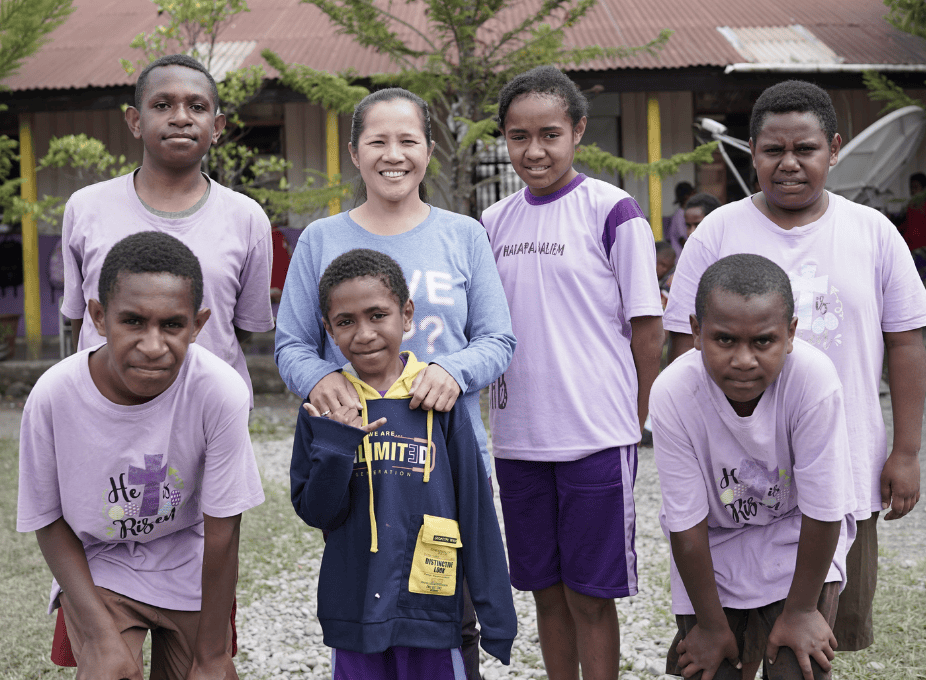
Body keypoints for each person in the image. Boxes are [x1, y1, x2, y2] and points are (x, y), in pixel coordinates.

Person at [664, 80, 926, 664]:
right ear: (752, 154)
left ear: (834, 148)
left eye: (805, 149)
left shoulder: (872, 232)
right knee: (724, 650)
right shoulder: (716, 232)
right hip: (733, 479)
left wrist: (906, 451)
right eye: (771, 150)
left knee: (811, 645)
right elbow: (686, 350)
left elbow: (906, 343)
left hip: (843, 472)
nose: (788, 164)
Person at [274, 87, 515, 678]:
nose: (393, 154)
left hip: (442, 460)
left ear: (429, 150)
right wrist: (323, 380)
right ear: (354, 153)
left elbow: (498, 340)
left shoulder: (464, 234)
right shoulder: (321, 239)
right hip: (359, 454)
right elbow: (292, 346)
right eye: (377, 141)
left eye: (408, 140)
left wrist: (450, 370)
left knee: (441, 627)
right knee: (367, 606)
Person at [481, 64, 664, 680]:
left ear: (577, 131)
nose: (534, 151)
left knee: (591, 594)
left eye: (550, 134)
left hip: (595, 436)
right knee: (545, 592)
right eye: (518, 136)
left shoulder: (612, 212)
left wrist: (634, 421)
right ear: (503, 137)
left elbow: (647, 328)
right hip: (519, 439)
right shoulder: (492, 222)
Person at [17, 231, 264, 680]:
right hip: (100, 562)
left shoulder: (220, 391)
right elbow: (47, 520)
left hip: (187, 556)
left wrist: (212, 655)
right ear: (97, 316)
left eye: (172, 325)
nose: (153, 345)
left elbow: (224, 528)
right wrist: (101, 638)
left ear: (198, 324)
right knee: (109, 671)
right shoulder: (54, 396)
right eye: (132, 321)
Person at [290, 249, 517, 678]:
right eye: (345, 322)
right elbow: (318, 512)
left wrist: (497, 614)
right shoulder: (323, 410)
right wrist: (338, 443)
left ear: (407, 314)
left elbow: (475, 512)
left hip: (431, 609)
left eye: (378, 315)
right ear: (329, 330)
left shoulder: (438, 401)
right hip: (352, 612)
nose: (364, 333)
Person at [651, 253, 856, 680]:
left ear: (791, 334)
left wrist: (801, 611)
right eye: (724, 340)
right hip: (714, 544)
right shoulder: (673, 392)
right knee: (711, 668)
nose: (744, 359)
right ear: (695, 331)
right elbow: (686, 526)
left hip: (798, 537)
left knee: (795, 669)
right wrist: (709, 625)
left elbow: (824, 510)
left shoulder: (813, 381)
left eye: (763, 341)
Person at [60, 53, 274, 406]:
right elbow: (81, 316)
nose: (180, 118)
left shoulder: (246, 217)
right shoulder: (86, 208)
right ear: (135, 121)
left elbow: (239, 328)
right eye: (162, 105)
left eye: (197, 107)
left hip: (210, 409)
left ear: (217, 127)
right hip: (107, 408)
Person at [898, 173, 926, 258]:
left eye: (915, 187)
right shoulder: (910, 205)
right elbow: (907, 225)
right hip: (910, 249)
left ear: (923, 188)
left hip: (924, 251)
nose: (912, 190)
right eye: (911, 187)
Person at [668, 181, 696, 253]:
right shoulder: (679, 215)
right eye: (693, 194)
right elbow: (682, 239)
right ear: (687, 196)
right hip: (679, 257)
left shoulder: (685, 213)